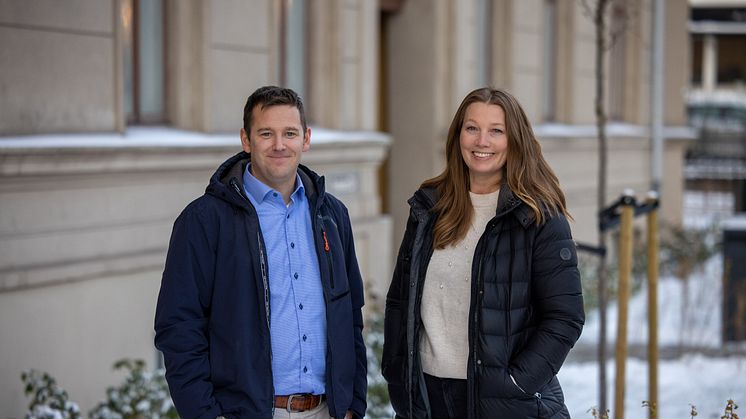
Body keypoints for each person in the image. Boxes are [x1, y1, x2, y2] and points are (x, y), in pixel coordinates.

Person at [155, 86, 367, 419]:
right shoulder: (205, 220)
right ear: (246, 139)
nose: (279, 145)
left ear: (306, 139)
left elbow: (350, 313)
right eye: (266, 133)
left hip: (328, 410)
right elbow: (179, 328)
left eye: (290, 133)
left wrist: (354, 403)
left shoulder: (331, 215)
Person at [381, 87, 585, 419]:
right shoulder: (429, 207)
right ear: (458, 135)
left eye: (496, 131)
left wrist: (517, 384)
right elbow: (400, 300)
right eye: (472, 128)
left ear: (514, 139)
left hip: (503, 403)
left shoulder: (537, 217)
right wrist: (397, 375)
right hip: (427, 398)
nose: (481, 141)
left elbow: (565, 317)